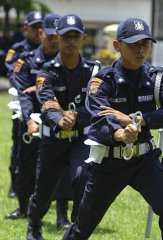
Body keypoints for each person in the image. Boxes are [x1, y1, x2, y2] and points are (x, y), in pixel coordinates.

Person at [63, 17, 163, 240]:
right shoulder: (102, 80)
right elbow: (99, 119)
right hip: (110, 161)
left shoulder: (157, 77)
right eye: (134, 44)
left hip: (143, 160)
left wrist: (138, 121)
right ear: (118, 46)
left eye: (145, 44)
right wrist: (121, 134)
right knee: (83, 226)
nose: (141, 50)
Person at [26, 14, 101, 240]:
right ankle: (34, 225)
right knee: (43, 191)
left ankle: (76, 228)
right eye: (66, 36)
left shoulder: (94, 71)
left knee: (83, 175)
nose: (70, 41)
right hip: (53, 138)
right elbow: (47, 104)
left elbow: (96, 103)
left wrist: (76, 118)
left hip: (80, 137)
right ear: (56, 37)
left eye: (75, 36)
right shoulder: (46, 71)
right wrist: (60, 119)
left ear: (84, 38)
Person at [6, 13, 73, 229]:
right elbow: (22, 92)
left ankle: (62, 216)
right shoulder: (26, 59)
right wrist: (28, 121)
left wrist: (40, 87)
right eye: (50, 35)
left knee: (62, 169)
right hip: (31, 120)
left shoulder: (67, 62)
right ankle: (23, 207)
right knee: (25, 167)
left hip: (57, 121)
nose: (54, 39)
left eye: (57, 35)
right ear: (41, 33)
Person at [5, 10, 45, 199]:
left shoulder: (51, 50)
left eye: (42, 27)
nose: (39, 30)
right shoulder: (18, 49)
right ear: (25, 28)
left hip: (44, 104)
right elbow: (12, 73)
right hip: (23, 106)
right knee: (20, 147)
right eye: (35, 26)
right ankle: (16, 185)